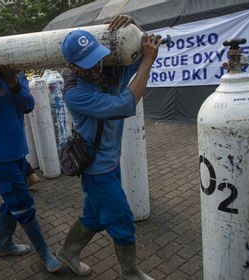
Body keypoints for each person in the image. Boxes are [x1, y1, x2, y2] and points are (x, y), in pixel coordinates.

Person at [57, 15, 162, 280]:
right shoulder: (75, 93)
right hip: (97, 171)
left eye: (96, 58)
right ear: (71, 66)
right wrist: (147, 62)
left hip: (110, 165)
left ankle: (68, 253)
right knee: (122, 220)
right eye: (87, 64)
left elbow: (145, 47)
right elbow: (124, 105)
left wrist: (135, 25)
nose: (95, 67)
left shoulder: (108, 67)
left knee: (93, 217)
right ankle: (130, 273)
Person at [0, 46, 61, 272]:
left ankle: (4, 244)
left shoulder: (18, 77)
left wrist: (13, 83)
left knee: (11, 201)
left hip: (18, 152)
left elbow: (28, 105)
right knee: (23, 205)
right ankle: (44, 252)